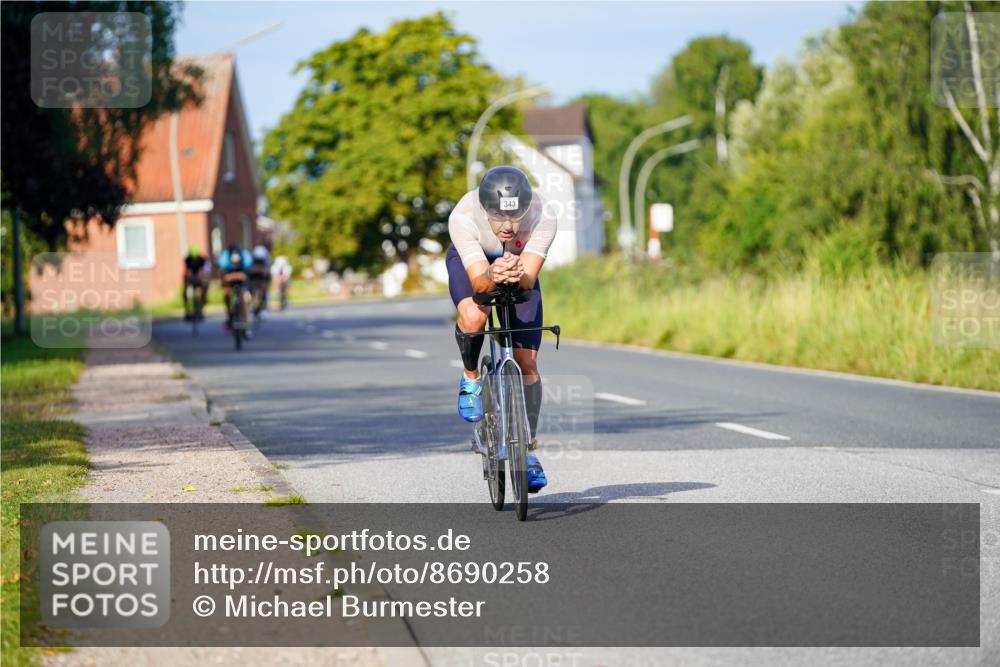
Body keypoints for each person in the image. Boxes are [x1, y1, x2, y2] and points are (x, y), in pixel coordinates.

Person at [447, 165, 557, 492]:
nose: (507, 227)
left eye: (515, 216)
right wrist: (493, 276)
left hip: (519, 266)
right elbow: (480, 285)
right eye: (497, 217)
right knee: (474, 316)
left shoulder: (543, 215)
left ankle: (528, 448)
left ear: (526, 206)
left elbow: (528, 279)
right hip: (476, 262)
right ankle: (470, 379)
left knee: (527, 363)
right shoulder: (463, 216)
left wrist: (513, 273)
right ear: (484, 210)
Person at [217, 244, 253, 334]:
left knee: (243, 298)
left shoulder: (246, 261)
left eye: (237, 263)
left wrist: (233, 276)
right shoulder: (224, 261)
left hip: (241, 279)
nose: (235, 265)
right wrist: (229, 278)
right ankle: (229, 315)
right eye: (234, 263)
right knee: (227, 293)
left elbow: (246, 276)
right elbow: (223, 277)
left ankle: (246, 327)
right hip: (229, 277)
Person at [182, 245, 211, 321]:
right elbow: (188, 271)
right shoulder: (188, 259)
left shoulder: (202, 259)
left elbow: (202, 271)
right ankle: (187, 309)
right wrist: (189, 280)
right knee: (185, 290)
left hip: (199, 276)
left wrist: (200, 278)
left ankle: (203, 301)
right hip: (191, 277)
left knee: (204, 285)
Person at [249, 245, 272, 315]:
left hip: (263, 275)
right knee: (252, 288)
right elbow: (250, 273)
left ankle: (263, 303)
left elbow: (267, 275)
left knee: (264, 288)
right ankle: (253, 303)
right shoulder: (252, 260)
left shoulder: (267, 260)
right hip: (254, 276)